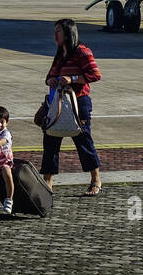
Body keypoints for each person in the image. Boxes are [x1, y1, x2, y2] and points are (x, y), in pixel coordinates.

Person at [39, 18, 103, 196]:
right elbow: (49, 76)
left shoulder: (82, 52)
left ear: (68, 33)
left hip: (78, 102)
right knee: (50, 140)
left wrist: (73, 79)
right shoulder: (60, 53)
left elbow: (95, 74)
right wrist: (50, 80)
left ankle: (95, 178)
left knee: (83, 140)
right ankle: (48, 182)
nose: (55, 35)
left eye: (58, 31)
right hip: (58, 101)